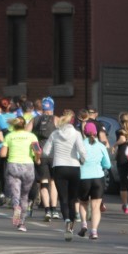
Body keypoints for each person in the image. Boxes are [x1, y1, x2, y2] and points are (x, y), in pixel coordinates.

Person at [42, 109, 87, 241]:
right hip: (74, 167)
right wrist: (82, 161)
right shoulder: (77, 134)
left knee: (63, 198)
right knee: (73, 199)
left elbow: (45, 152)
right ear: (73, 121)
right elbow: (82, 151)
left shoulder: (55, 134)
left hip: (59, 167)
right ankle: (72, 224)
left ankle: (66, 219)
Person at [0, 117, 40, 231]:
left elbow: (3, 154)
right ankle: (22, 223)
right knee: (24, 195)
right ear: (24, 125)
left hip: (13, 165)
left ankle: (15, 207)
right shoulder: (31, 136)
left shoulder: (9, 136)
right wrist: (37, 159)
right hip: (28, 166)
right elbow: (38, 150)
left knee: (15, 193)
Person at [77, 122, 111, 239]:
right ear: (96, 133)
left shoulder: (80, 145)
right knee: (96, 207)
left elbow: (76, 160)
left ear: (84, 133)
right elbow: (108, 164)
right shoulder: (101, 146)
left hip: (83, 177)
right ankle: (94, 231)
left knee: (83, 203)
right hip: (98, 178)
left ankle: (84, 224)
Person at [27, 97, 59, 221]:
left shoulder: (35, 120)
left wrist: (36, 149)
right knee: (53, 183)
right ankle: (54, 209)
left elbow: (27, 135)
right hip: (54, 155)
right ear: (52, 107)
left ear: (42, 108)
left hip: (40, 155)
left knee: (43, 183)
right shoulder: (56, 120)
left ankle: (46, 210)